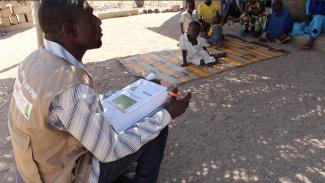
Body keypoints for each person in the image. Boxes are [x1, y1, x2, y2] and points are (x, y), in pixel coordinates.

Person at [8, 0, 191, 183]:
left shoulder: (33, 60)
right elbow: (110, 150)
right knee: (157, 123)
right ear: (70, 29)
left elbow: (80, 108)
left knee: (121, 121)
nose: (98, 21)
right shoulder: (72, 88)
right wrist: (168, 113)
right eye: (90, 16)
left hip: (34, 170)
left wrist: (137, 89)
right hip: (63, 176)